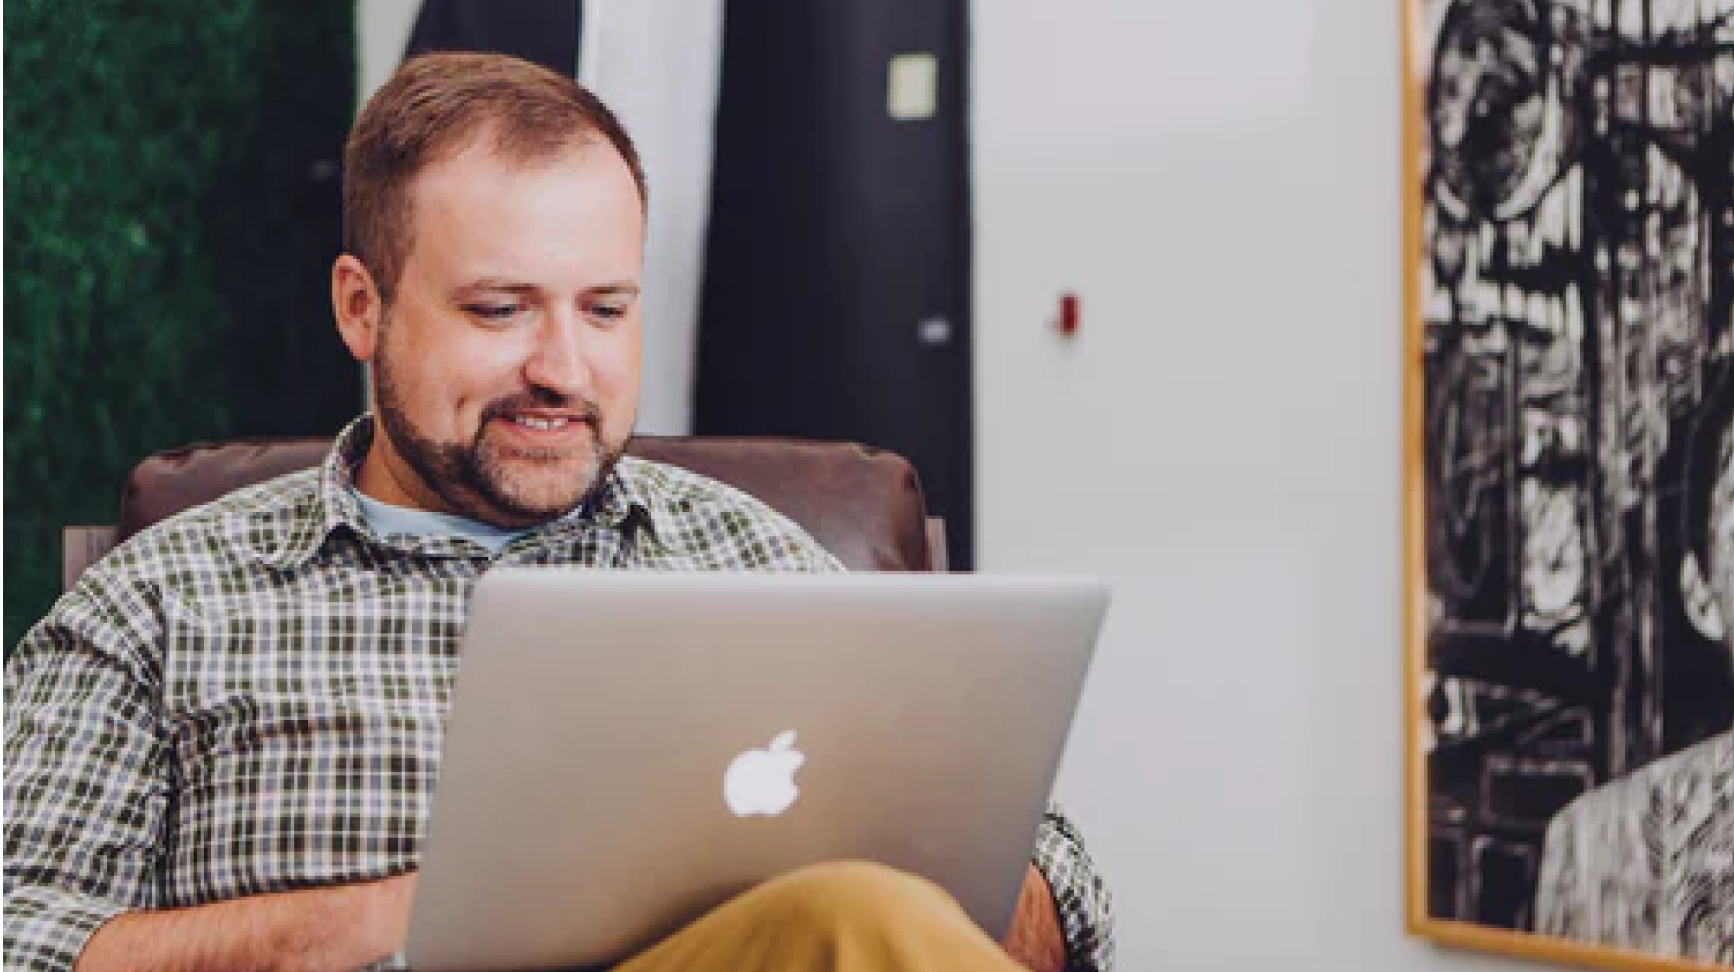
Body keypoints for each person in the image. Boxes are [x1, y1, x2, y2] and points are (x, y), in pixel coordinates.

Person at [3, 52, 1113, 972]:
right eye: (500, 309)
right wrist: (406, 916)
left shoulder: (755, 562)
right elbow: (24, 931)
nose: (563, 368)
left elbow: (1064, 902)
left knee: (865, 916)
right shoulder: (164, 600)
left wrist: (886, 865)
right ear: (362, 307)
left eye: (606, 308)